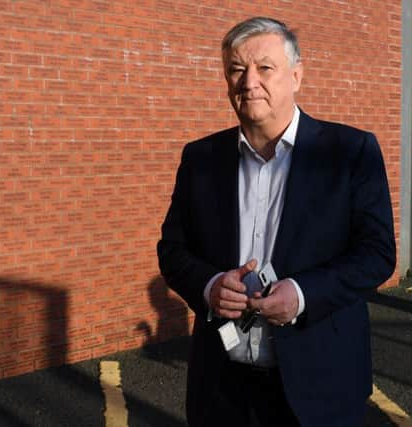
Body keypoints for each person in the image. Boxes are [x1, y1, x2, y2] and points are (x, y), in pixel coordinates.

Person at [157, 17, 395, 427]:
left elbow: (376, 255)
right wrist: (211, 286)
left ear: (296, 76)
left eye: (264, 68)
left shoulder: (350, 151)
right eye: (236, 69)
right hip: (222, 389)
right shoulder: (200, 159)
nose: (249, 82)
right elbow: (173, 250)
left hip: (318, 386)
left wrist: (303, 294)